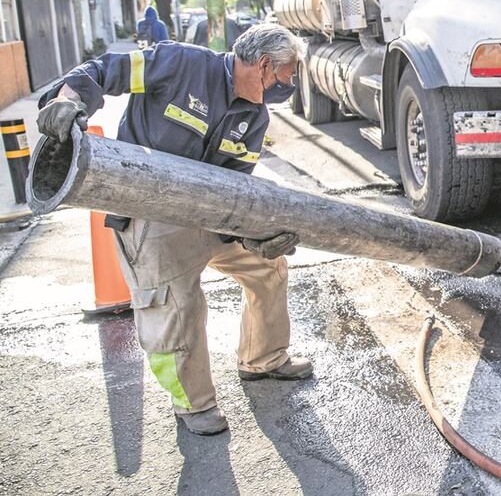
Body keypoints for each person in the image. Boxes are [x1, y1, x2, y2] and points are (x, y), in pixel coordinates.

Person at [36, 24, 310, 435]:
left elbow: (239, 184)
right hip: (153, 218)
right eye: (286, 78)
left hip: (210, 216)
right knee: (176, 306)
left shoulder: (255, 118)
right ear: (264, 65)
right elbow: (103, 70)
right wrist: (67, 101)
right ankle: (193, 403)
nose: (287, 89)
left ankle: (263, 359)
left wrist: (254, 232)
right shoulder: (179, 64)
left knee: (267, 270)